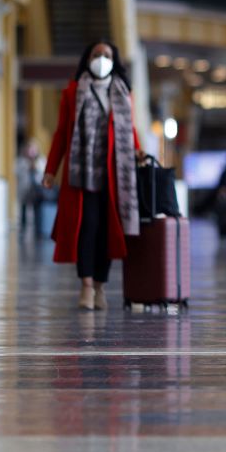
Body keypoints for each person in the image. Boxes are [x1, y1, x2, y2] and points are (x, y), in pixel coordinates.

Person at [42, 41, 142, 311]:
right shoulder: (72, 92)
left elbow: (128, 127)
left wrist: (138, 151)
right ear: (87, 59)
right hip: (81, 174)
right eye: (96, 54)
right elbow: (62, 132)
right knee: (86, 229)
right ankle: (86, 286)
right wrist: (51, 169)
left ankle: (100, 286)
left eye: (107, 55)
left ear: (115, 60)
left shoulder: (122, 92)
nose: (101, 59)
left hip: (113, 174)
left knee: (108, 232)